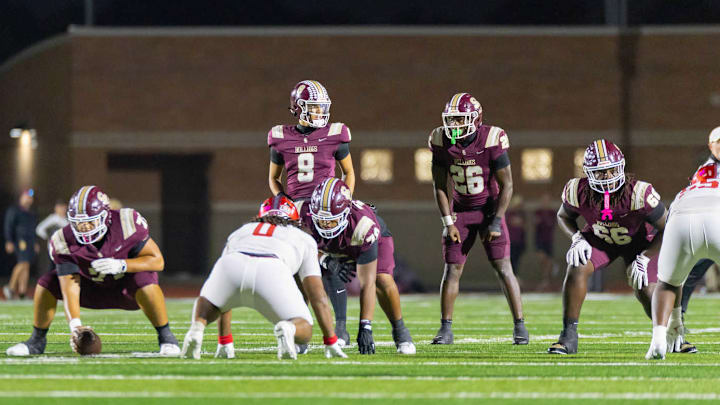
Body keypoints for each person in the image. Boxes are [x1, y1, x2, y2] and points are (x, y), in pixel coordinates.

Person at [548, 139, 690, 355]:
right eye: (600, 172)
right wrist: (576, 238)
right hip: (600, 239)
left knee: (644, 289)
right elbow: (563, 216)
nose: (607, 177)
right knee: (576, 266)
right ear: (588, 172)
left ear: (621, 167)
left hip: (639, 243)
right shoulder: (577, 190)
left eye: (611, 170)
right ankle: (568, 336)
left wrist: (644, 257)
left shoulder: (639, 193)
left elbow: (667, 228)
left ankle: (671, 332)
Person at [6, 185, 180, 356]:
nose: (84, 228)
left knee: (145, 278)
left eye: (90, 222)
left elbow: (157, 261)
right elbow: (69, 286)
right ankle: (36, 341)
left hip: (127, 290)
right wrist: (75, 326)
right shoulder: (63, 240)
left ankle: (166, 338)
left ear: (105, 216)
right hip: (90, 289)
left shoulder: (127, 223)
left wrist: (122, 265)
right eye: (79, 223)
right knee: (46, 283)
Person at [181, 196, 347, 360]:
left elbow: (222, 296)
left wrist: (225, 342)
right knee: (304, 328)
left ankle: (197, 328)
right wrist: (330, 340)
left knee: (211, 303)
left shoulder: (241, 231)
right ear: (294, 218)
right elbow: (318, 296)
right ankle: (289, 329)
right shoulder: (303, 238)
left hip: (232, 263)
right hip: (273, 268)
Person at [428, 92, 528, 345]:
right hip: (460, 212)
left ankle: (520, 326)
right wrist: (448, 222)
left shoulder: (491, 138)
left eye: (461, 119)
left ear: (476, 118)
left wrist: (496, 220)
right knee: (451, 269)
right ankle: (445, 328)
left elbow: (507, 185)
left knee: (504, 268)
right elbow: (440, 186)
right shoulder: (441, 140)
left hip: (489, 209)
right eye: (451, 120)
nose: (454, 126)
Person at [300, 178, 415, 355]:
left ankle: (401, 332)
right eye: (321, 220)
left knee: (381, 279)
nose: (325, 225)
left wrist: (365, 326)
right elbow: (299, 247)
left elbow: (366, 283)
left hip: (360, 239)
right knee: (303, 274)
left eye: (331, 220)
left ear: (345, 213)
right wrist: (325, 260)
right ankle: (328, 331)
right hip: (332, 246)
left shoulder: (363, 225)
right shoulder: (302, 213)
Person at [647, 127, 720, 359]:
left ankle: (660, 336)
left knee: (668, 283)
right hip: (716, 215)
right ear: (711, 145)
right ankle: (676, 325)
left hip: (681, 213)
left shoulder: (699, 175)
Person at [3, 188, 38, 300]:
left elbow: (33, 229)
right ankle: (10, 287)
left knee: (26, 265)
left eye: (30, 197)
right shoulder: (14, 210)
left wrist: (35, 242)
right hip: (20, 241)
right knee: (22, 263)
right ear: (21, 197)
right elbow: (8, 226)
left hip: (29, 242)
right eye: (26, 196)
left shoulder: (31, 213)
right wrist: (9, 241)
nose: (28, 199)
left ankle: (22, 292)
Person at [534, 193, 558, 291]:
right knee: (542, 259)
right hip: (539, 239)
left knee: (546, 262)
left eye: (547, 200)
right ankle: (552, 267)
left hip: (548, 240)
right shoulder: (538, 212)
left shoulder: (552, 212)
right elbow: (535, 222)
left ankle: (545, 280)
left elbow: (552, 224)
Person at [506, 196, 526, 276]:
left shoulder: (522, 214)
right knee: (511, 260)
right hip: (511, 241)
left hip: (520, 241)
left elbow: (524, 226)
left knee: (516, 260)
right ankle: (512, 276)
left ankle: (515, 275)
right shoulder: (509, 213)